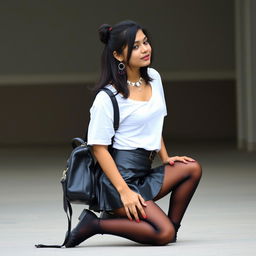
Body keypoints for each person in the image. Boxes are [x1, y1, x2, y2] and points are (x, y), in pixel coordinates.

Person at [65, 20, 202, 247]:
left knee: (191, 168)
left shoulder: (154, 78)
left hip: (143, 172)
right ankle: (95, 224)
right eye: (136, 46)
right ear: (119, 56)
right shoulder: (107, 97)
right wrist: (125, 192)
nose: (145, 49)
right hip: (118, 180)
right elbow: (98, 148)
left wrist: (166, 158)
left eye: (145, 42)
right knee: (162, 234)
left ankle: (168, 229)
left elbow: (154, 123)